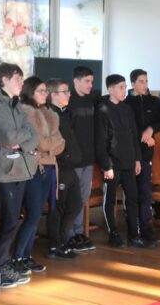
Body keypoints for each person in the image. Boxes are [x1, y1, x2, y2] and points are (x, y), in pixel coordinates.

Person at [0, 63, 39, 288]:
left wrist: (21, 142)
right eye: (17, 78)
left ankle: (5, 262)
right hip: (5, 170)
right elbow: (8, 137)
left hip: (21, 168)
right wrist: (21, 141)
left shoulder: (16, 106)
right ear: (4, 80)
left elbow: (32, 134)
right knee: (9, 220)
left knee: (15, 219)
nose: (21, 83)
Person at [14, 76, 64, 272]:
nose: (45, 94)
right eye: (40, 91)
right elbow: (39, 142)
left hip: (49, 166)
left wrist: (48, 147)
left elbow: (61, 142)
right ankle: (18, 256)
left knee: (37, 215)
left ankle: (27, 255)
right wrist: (49, 146)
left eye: (45, 91)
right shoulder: (26, 111)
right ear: (30, 92)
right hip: (34, 168)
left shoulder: (50, 113)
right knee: (33, 214)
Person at [96, 73, 150, 248]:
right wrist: (106, 165)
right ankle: (113, 233)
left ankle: (134, 234)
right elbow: (101, 140)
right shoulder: (102, 109)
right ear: (110, 89)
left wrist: (137, 160)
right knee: (110, 200)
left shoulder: (127, 109)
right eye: (120, 87)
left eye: (125, 87)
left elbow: (134, 136)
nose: (124, 90)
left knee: (132, 199)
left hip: (128, 162)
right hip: (112, 165)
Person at [127, 69, 160, 244]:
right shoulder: (127, 103)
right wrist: (142, 136)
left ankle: (146, 228)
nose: (145, 85)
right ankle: (133, 231)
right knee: (133, 195)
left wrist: (151, 130)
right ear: (133, 84)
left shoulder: (154, 101)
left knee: (145, 193)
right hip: (129, 154)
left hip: (146, 155)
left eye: (146, 81)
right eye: (141, 81)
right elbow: (126, 129)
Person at [46, 78, 82, 259]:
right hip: (59, 167)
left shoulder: (65, 113)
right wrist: (64, 156)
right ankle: (55, 245)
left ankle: (63, 239)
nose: (69, 94)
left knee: (75, 204)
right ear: (53, 95)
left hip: (71, 167)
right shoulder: (49, 115)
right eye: (65, 91)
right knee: (58, 208)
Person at [67, 65, 99, 251]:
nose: (90, 85)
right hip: (73, 160)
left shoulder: (91, 101)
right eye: (87, 81)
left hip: (89, 158)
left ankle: (79, 232)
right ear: (76, 81)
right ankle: (69, 233)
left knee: (82, 198)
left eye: (92, 81)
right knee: (72, 198)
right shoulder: (68, 101)